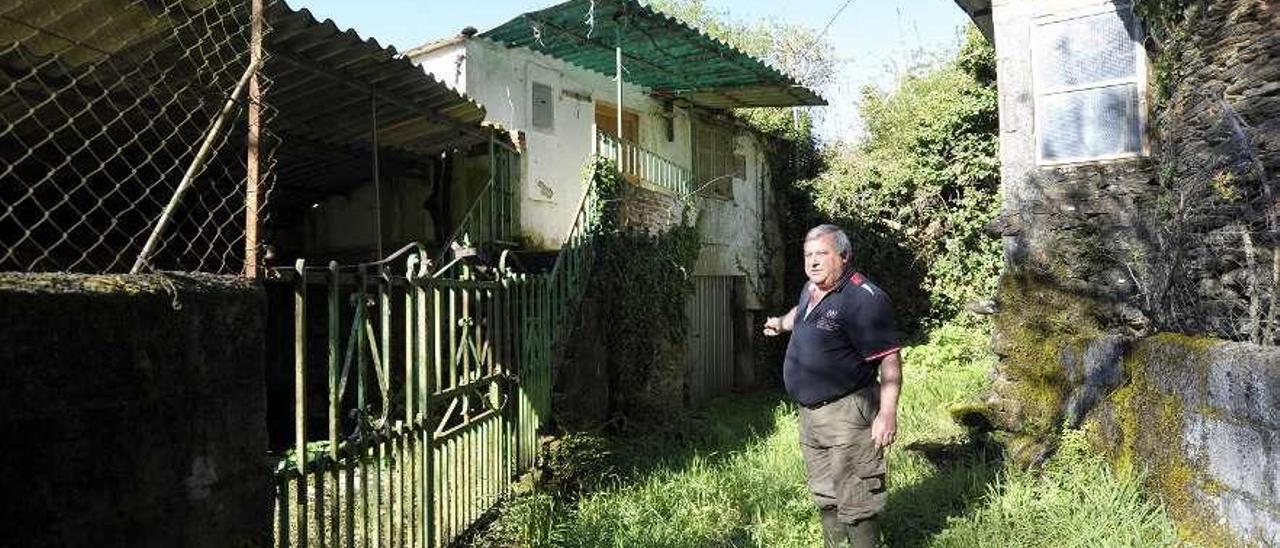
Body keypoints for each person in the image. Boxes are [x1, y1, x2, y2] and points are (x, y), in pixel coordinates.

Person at [763, 224, 902, 548]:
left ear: (843, 255)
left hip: (847, 414)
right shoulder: (812, 289)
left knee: (856, 500)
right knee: (825, 495)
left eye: (821, 254)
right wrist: (781, 323)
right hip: (811, 417)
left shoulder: (864, 299)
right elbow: (803, 313)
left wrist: (887, 413)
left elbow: (890, 359)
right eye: (808, 255)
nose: (812, 262)